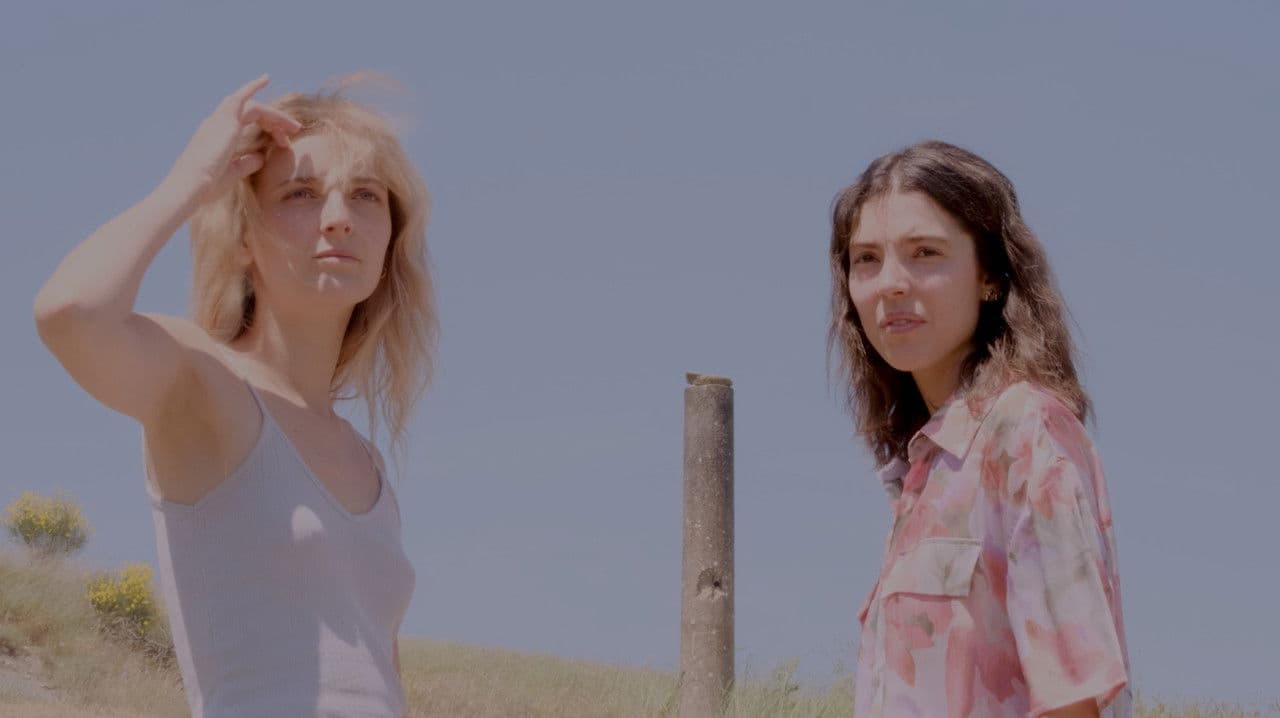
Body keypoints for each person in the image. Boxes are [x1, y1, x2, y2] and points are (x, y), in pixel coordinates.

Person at [34, 75, 435, 717]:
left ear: (390, 235)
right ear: (243, 236)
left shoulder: (369, 464)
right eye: (301, 193)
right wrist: (192, 181)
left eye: (365, 194)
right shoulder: (205, 383)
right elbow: (72, 312)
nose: (339, 217)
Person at [828, 140, 1131, 717]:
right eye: (866, 259)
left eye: (924, 252)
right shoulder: (927, 466)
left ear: (990, 274)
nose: (891, 283)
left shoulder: (1023, 432)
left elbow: (1075, 700)